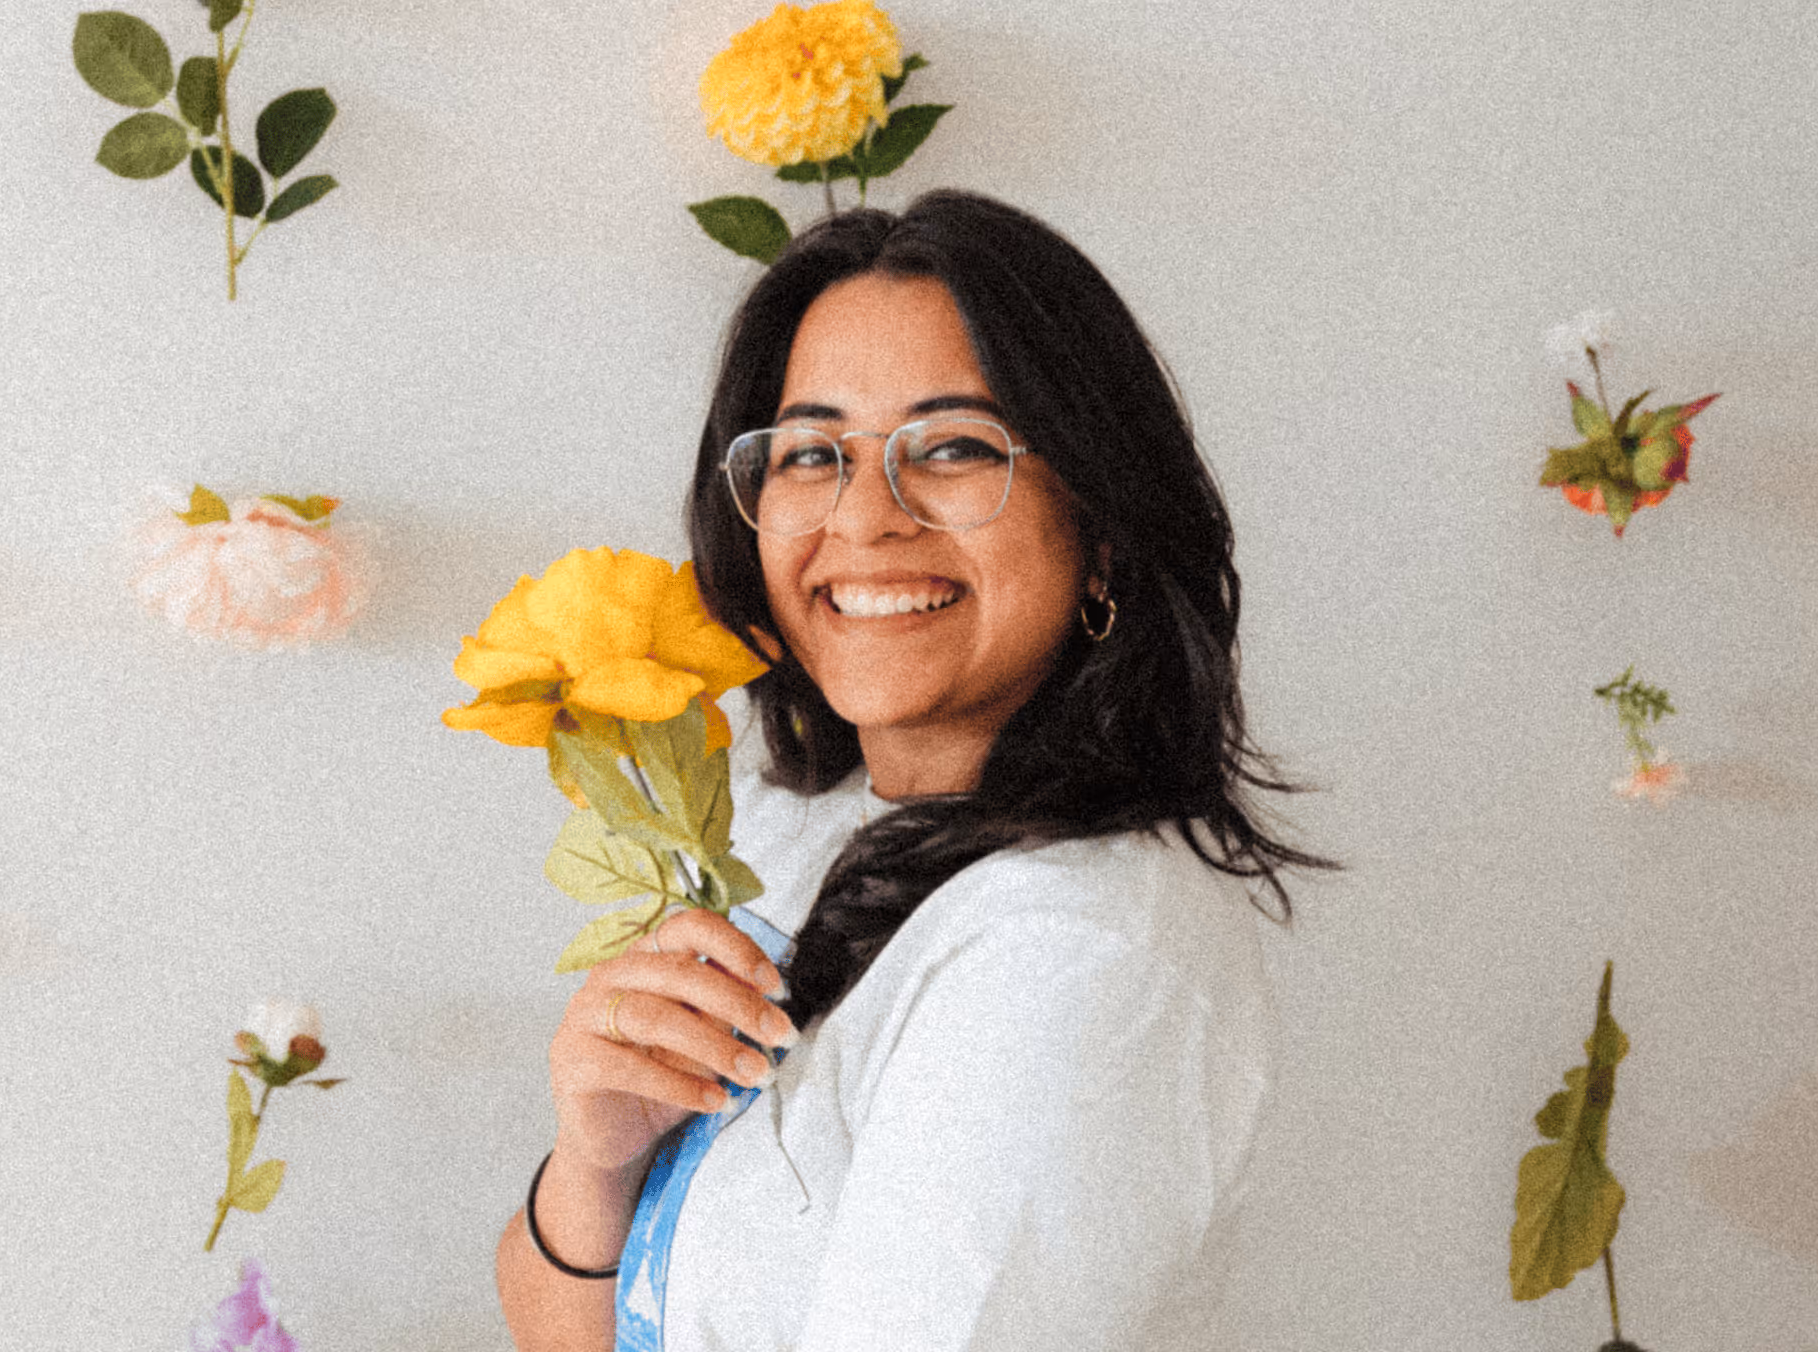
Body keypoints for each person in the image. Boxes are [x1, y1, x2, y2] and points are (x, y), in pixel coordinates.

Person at [495, 189, 1329, 1351]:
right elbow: (565, 1318)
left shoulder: (1077, 947)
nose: (867, 516)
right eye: (812, 453)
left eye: (951, 447)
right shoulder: (795, 827)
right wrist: (597, 1164)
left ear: (1100, 530)